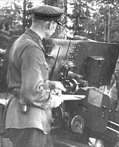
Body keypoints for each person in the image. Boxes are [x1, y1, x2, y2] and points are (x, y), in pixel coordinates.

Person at [3, 5, 66, 147]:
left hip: (22, 119)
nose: (56, 28)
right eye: (56, 25)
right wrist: (53, 100)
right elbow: (32, 91)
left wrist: (51, 84)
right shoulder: (32, 48)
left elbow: (21, 79)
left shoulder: (22, 41)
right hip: (30, 121)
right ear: (49, 24)